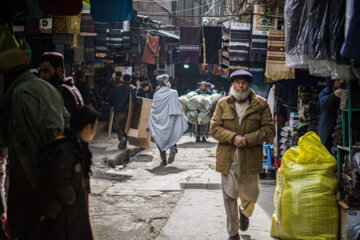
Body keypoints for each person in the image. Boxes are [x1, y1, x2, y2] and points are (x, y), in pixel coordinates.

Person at [0, 49, 69, 239]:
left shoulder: (21, 93)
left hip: (34, 183)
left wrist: (39, 189)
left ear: (8, 74)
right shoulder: (46, 88)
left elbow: (28, 147)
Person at [210, 70, 274, 240]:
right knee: (229, 195)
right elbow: (214, 128)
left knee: (251, 195)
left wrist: (247, 139)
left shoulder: (261, 104)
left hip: (250, 158)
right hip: (228, 158)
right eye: (237, 82)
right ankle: (233, 233)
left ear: (249, 85)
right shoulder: (223, 104)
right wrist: (233, 137)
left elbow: (269, 129)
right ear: (232, 84)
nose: (240, 86)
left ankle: (244, 211)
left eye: (244, 83)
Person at [37, 105, 96, 240]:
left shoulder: (77, 145)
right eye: (95, 126)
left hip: (72, 212)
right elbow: (59, 180)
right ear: (88, 127)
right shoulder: (67, 149)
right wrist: (71, 199)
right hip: (65, 214)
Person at [148, 74, 188, 166]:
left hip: (159, 121)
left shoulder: (156, 94)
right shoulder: (173, 92)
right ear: (167, 83)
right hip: (171, 120)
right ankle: (173, 148)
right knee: (172, 136)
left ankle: (164, 159)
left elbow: (154, 109)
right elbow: (177, 109)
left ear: (159, 84)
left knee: (159, 139)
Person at [109, 74, 136, 150]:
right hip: (129, 111)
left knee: (118, 126)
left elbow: (111, 98)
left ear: (123, 79)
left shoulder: (117, 87)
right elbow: (134, 100)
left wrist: (112, 105)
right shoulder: (133, 88)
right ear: (130, 80)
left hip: (118, 110)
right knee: (126, 127)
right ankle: (124, 140)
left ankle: (121, 138)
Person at [318, 79, 344, 151]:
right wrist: (334, 95)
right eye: (338, 80)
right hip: (327, 127)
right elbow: (324, 102)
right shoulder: (325, 92)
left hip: (339, 127)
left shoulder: (343, 90)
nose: (341, 81)